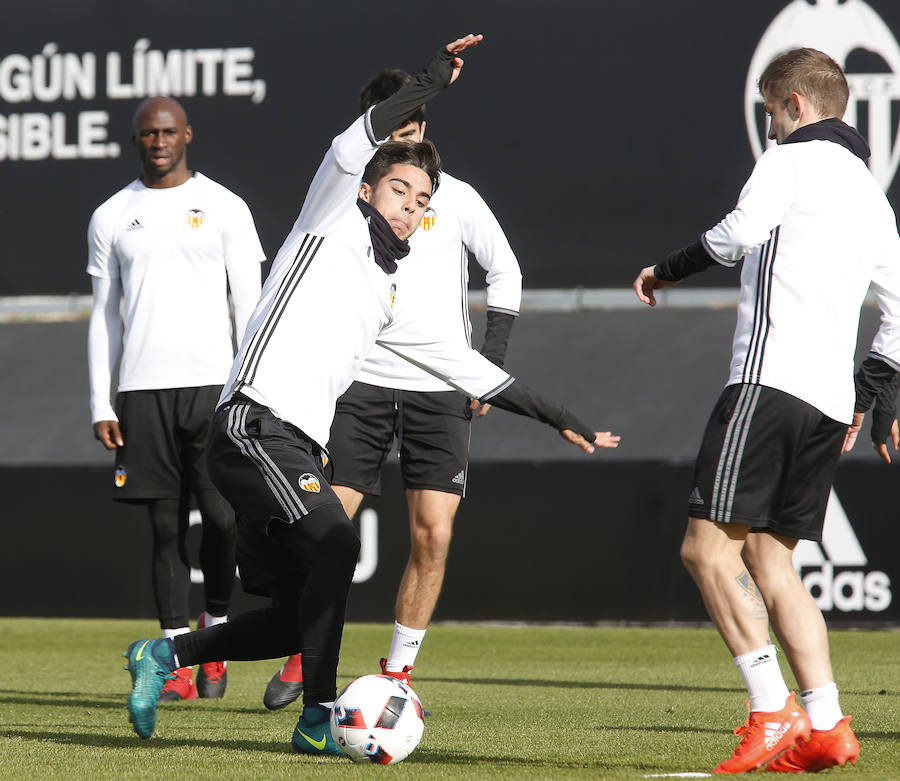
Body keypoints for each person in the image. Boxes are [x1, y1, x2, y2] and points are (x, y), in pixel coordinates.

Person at [121, 34, 619, 754]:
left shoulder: (390, 295)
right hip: (251, 427)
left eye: (422, 199)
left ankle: (162, 656)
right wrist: (433, 81)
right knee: (337, 545)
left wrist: (563, 419)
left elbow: (468, 367)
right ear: (362, 186)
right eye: (397, 188)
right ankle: (320, 715)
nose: (410, 205)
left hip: (293, 445)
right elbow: (362, 136)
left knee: (299, 615)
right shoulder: (326, 220)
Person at [633, 48, 900, 774]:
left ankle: (770, 706)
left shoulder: (790, 161)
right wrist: (879, 395)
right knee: (771, 560)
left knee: (704, 550)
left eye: (771, 111)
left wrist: (667, 267)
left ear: (795, 107)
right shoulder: (873, 195)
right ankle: (827, 723)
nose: (770, 126)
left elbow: (735, 234)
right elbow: (898, 307)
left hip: (768, 384)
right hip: (826, 405)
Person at [262, 67, 523, 710]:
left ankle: (398, 675)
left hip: (439, 388)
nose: (405, 136)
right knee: (328, 528)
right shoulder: (342, 199)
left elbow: (506, 269)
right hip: (363, 385)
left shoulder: (454, 198)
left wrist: (486, 363)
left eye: (415, 124)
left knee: (432, 533)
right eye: (392, 125)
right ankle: (305, 647)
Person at [88, 96, 264, 701]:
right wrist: (100, 401)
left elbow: (253, 304)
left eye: (167, 131)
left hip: (217, 388)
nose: (158, 141)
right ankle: (174, 665)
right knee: (165, 527)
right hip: (140, 392)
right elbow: (104, 317)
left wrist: (253, 387)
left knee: (221, 517)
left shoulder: (225, 207)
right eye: (147, 133)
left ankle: (214, 637)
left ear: (186, 134)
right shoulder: (111, 215)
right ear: (134, 140)